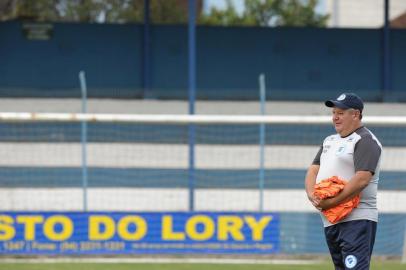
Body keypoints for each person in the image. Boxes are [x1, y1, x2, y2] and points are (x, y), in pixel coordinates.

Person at [305, 93, 382, 270]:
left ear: (355, 114)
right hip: (331, 220)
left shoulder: (365, 140)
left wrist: (330, 202)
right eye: (333, 113)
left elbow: (362, 180)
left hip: (356, 219)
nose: (335, 117)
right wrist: (312, 196)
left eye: (340, 113)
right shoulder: (329, 141)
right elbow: (313, 170)